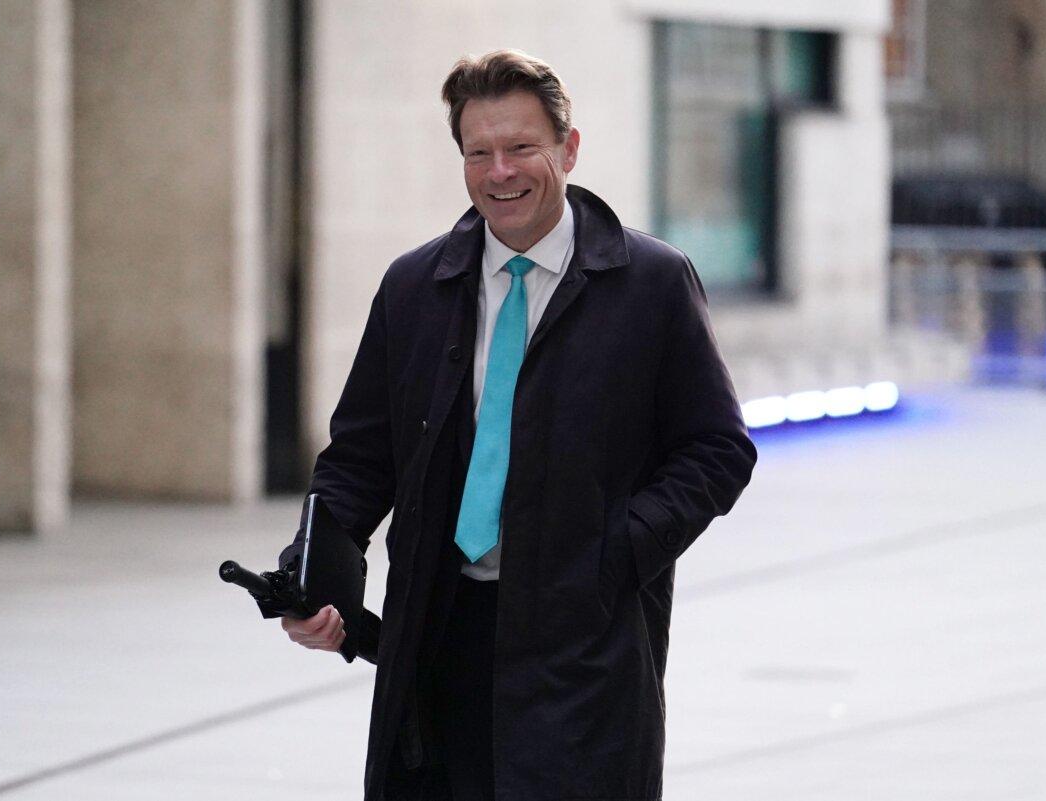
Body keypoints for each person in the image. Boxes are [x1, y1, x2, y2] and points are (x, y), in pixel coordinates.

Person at [278, 49, 756, 801]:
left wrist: (616, 552)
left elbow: (717, 448)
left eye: (521, 148)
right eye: (479, 152)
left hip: (583, 641)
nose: (500, 171)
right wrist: (317, 575)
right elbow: (360, 457)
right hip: (436, 637)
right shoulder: (415, 286)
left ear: (568, 148)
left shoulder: (651, 284)